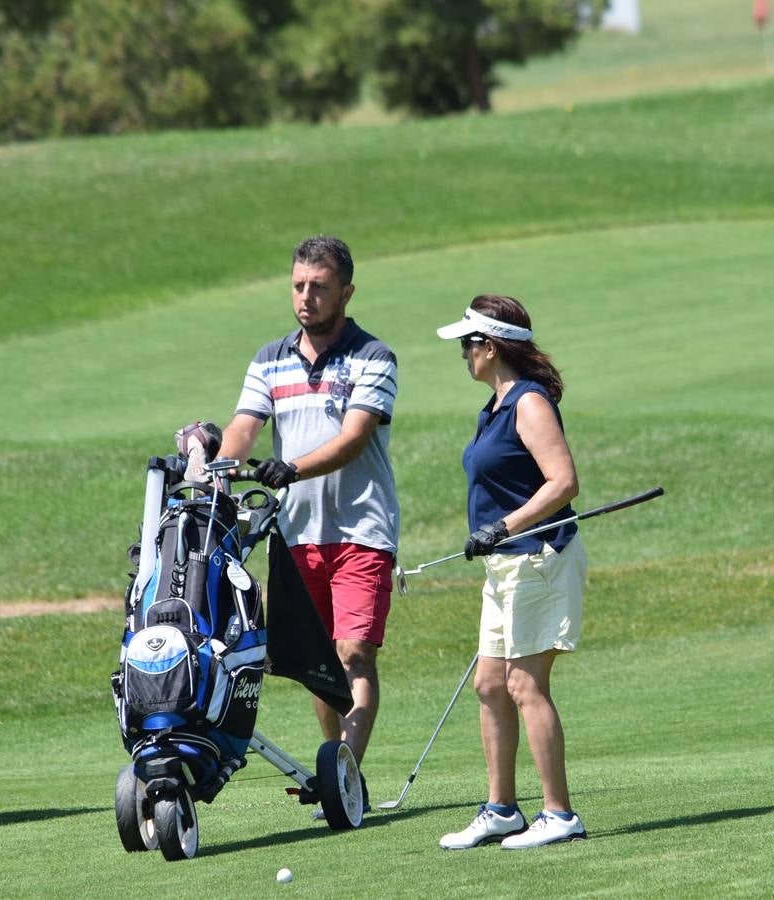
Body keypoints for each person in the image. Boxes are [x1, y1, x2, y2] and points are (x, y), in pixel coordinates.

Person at [217, 235, 398, 790]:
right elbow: (245, 428)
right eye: (298, 285)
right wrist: (217, 468)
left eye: (318, 287)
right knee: (319, 669)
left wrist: (290, 468)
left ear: (346, 290)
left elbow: (351, 440)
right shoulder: (269, 359)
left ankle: (343, 775)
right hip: (296, 535)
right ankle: (337, 772)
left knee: (353, 653)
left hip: (361, 528)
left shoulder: (374, 357)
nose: (306, 297)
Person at [435, 294, 589, 850]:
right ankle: (502, 809)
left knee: (525, 684)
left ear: (490, 345)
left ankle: (559, 814)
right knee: (490, 683)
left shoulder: (529, 403)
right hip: (506, 565)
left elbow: (562, 481)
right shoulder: (495, 406)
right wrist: (497, 537)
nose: (462, 355)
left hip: (539, 558)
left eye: (466, 344)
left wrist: (505, 525)